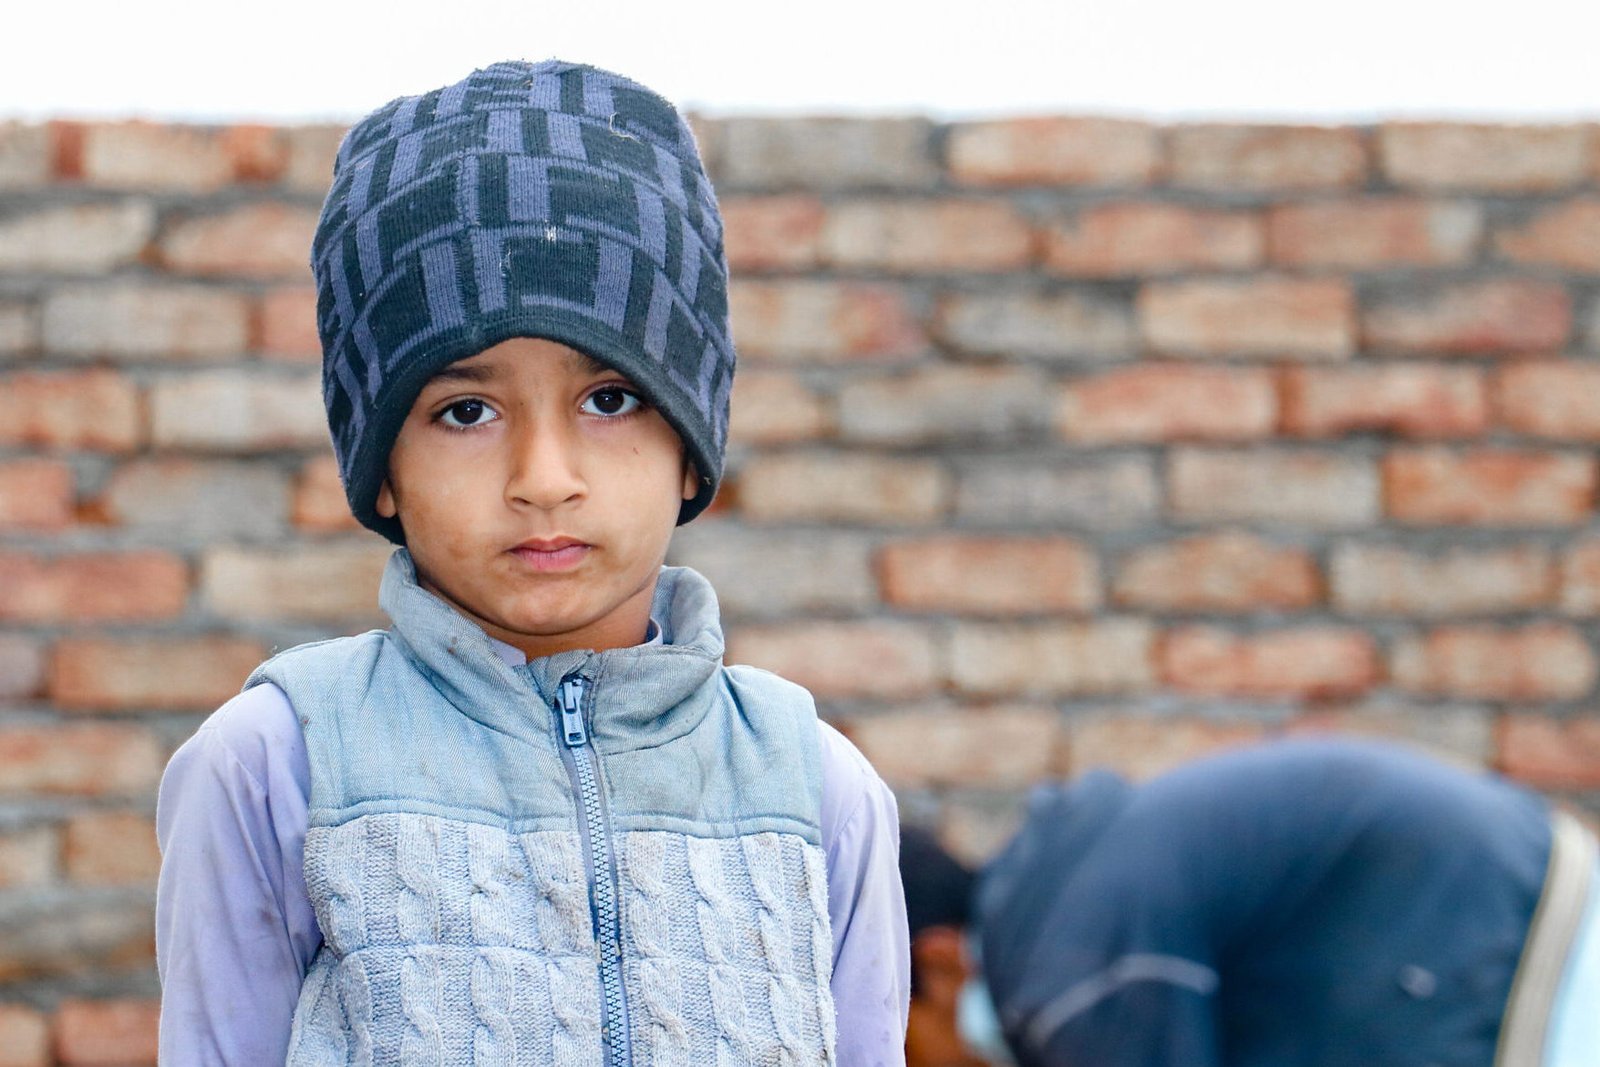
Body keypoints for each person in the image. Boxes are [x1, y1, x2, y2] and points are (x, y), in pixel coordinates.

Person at [154, 59, 908, 1065]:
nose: (543, 477)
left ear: (690, 437)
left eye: (609, 399)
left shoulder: (814, 789)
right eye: (465, 410)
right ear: (382, 470)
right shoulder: (276, 767)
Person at [899, 739, 1600, 1067]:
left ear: (939, 964)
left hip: (1510, 932)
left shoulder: (1071, 968)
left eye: (895, 1045)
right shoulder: (1068, 910)